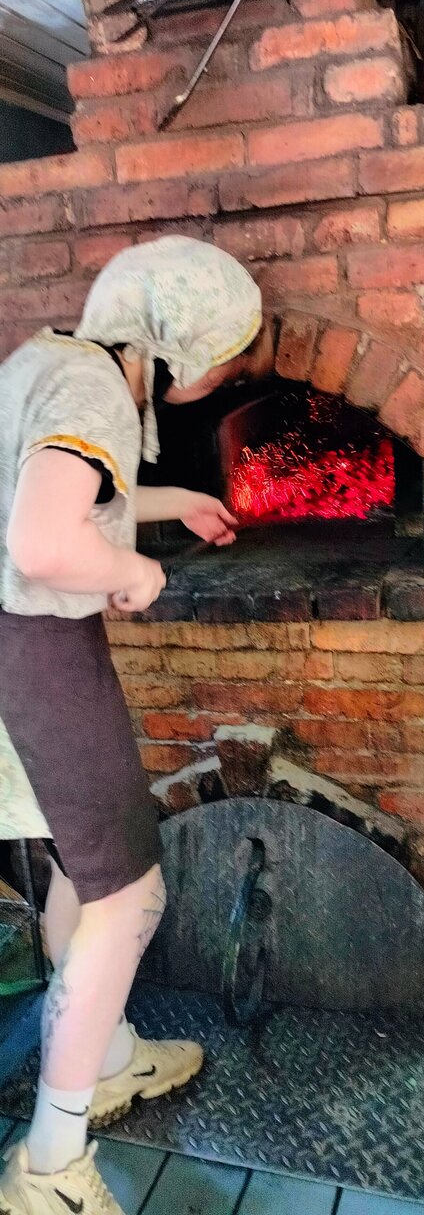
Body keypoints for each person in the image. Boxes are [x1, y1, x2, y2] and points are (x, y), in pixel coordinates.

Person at [0, 236, 273, 1215]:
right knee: (130, 896)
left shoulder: (48, 360)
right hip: (35, 648)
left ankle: (108, 1056)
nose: (228, 373)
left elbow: (60, 494)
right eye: (225, 355)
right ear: (177, 335)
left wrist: (175, 501)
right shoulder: (97, 390)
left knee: (85, 872)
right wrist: (133, 569)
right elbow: (41, 542)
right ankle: (48, 1167)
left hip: (17, 645)